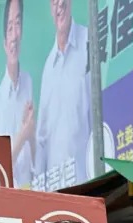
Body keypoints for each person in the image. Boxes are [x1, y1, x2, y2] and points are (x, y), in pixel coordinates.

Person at [34, 0, 92, 191]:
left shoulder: (88, 42)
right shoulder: (48, 67)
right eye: (53, 2)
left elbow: (100, 114)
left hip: (90, 182)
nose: (59, 4)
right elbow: (42, 138)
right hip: (58, 190)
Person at [0, 0, 35, 188]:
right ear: (4, 43)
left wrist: (30, 133)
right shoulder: (0, 100)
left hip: (33, 187)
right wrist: (23, 134)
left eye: (17, 24)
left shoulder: (28, 80)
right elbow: (1, 163)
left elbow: (34, 154)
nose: (14, 36)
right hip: (13, 193)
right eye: (9, 28)